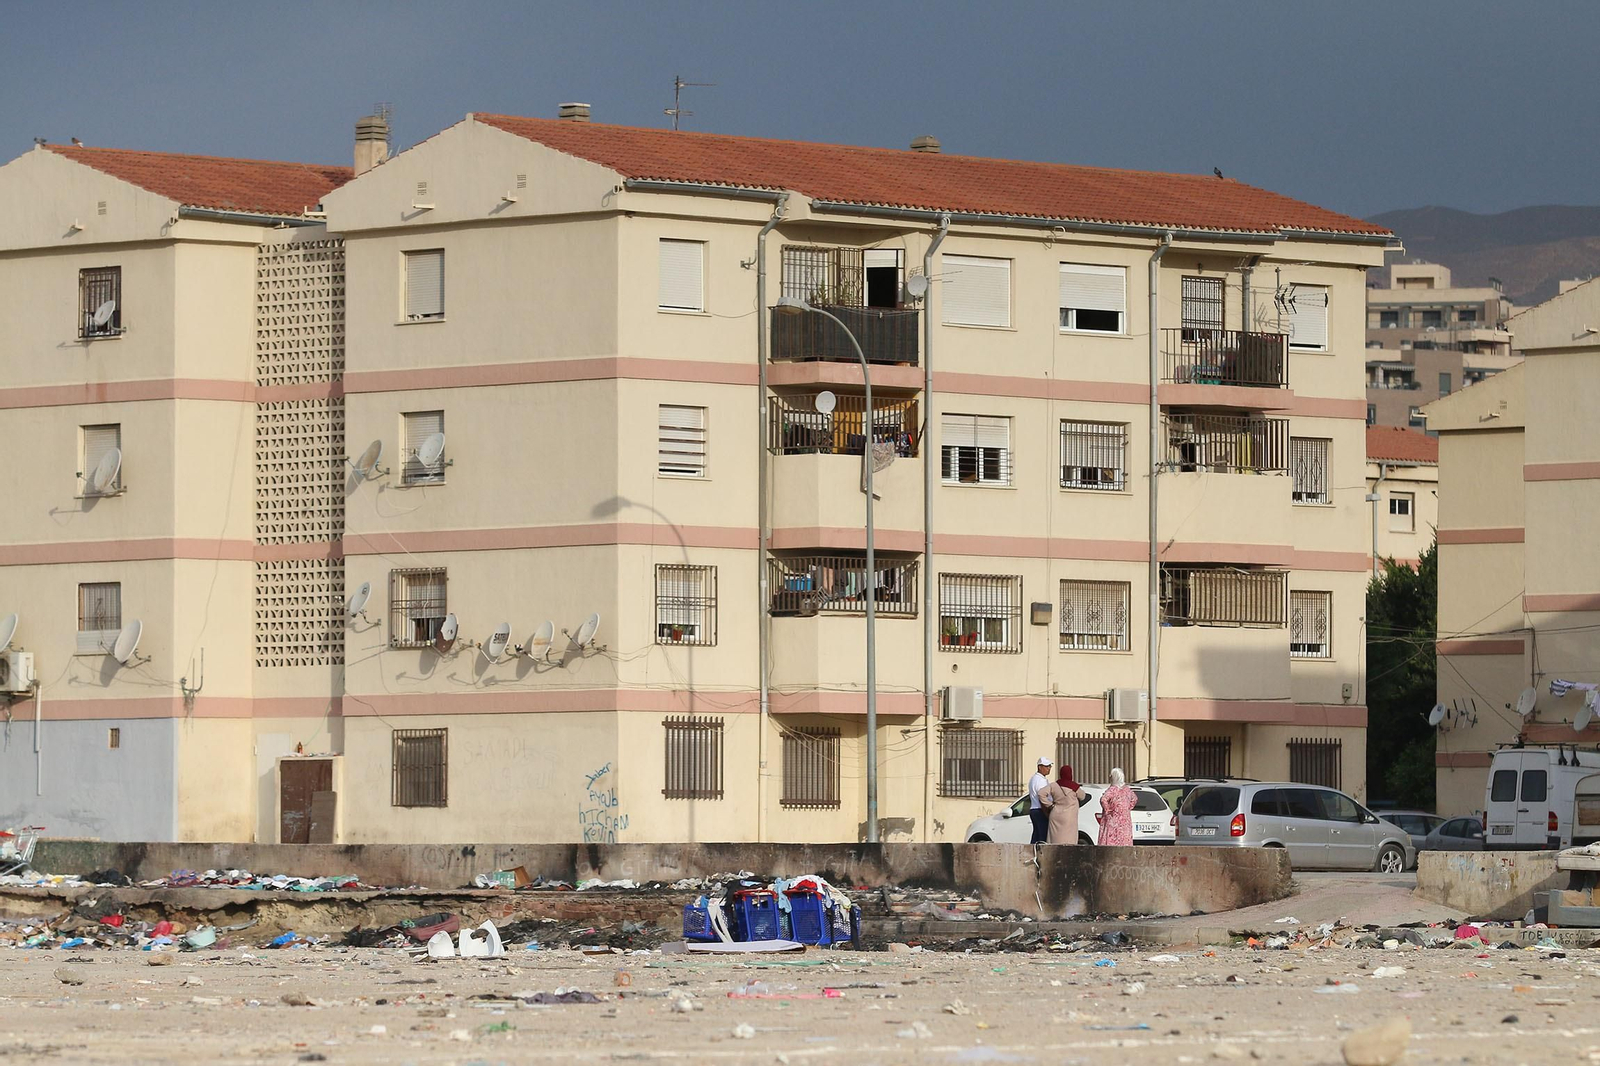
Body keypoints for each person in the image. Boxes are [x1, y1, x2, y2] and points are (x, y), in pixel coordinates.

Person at [1042, 764, 1090, 844]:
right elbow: (1083, 796)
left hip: (1055, 814)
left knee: (1054, 840)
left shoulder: (1054, 785)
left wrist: (1049, 805)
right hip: (1069, 817)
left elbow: (1041, 793)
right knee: (1069, 840)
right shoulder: (1074, 787)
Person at [1097, 767, 1136, 846]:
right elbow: (1134, 799)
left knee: (1112, 839)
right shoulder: (1127, 790)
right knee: (1124, 839)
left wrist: (1108, 809)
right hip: (1125, 820)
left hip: (1113, 819)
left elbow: (1103, 799)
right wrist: (1127, 808)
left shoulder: (1112, 789)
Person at [1026, 756, 1054, 845]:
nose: (1048, 768)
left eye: (1049, 766)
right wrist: (1047, 812)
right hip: (1040, 809)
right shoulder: (1040, 780)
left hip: (1034, 809)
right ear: (1039, 767)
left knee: (1036, 836)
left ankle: (1032, 854)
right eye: (1046, 766)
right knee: (1042, 837)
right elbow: (1042, 797)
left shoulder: (1034, 778)